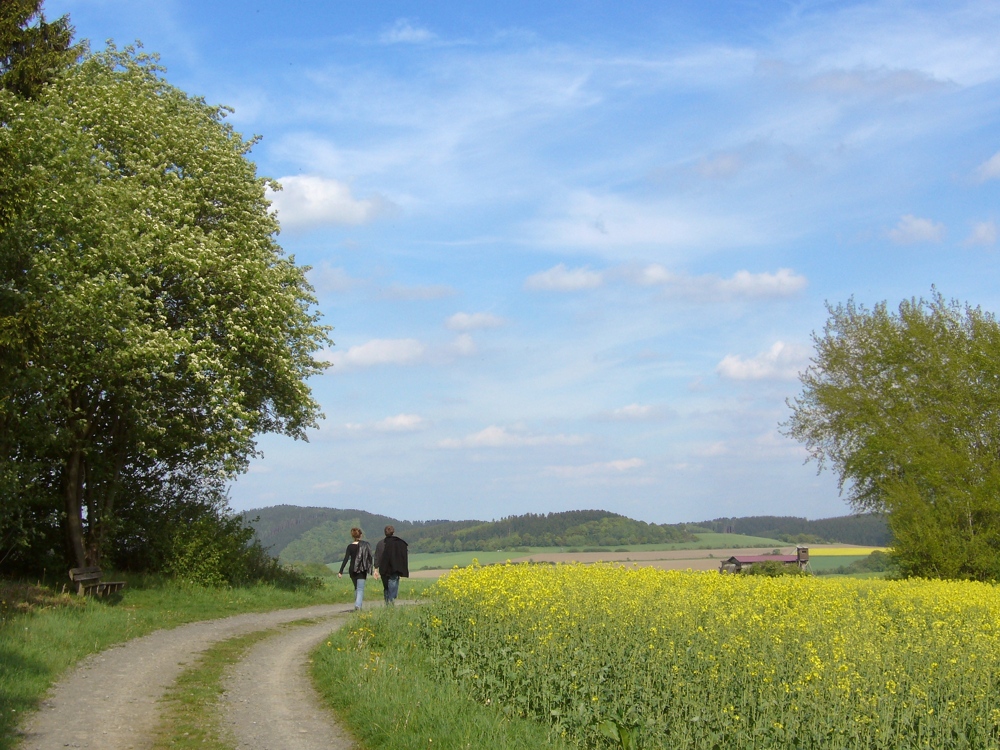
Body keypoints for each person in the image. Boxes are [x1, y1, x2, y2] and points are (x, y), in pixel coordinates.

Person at [338, 527, 375, 610]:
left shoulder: (350, 546)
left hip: (352, 570)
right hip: (361, 570)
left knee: (356, 588)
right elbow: (369, 557)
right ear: (361, 535)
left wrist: (341, 571)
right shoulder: (365, 545)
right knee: (360, 589)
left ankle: (358, 606)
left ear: (352, 536)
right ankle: (358, 605)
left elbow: (346, 559)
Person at [374, 525, 408, 605]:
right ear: (393, 532)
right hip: (394, 568)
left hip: (383, 569)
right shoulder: (399, 543)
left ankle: (388, 603)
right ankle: (390, 602)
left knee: (386, 587)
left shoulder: (380, 543)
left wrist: (376, 569)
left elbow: (377, 557)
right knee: (393, 586)